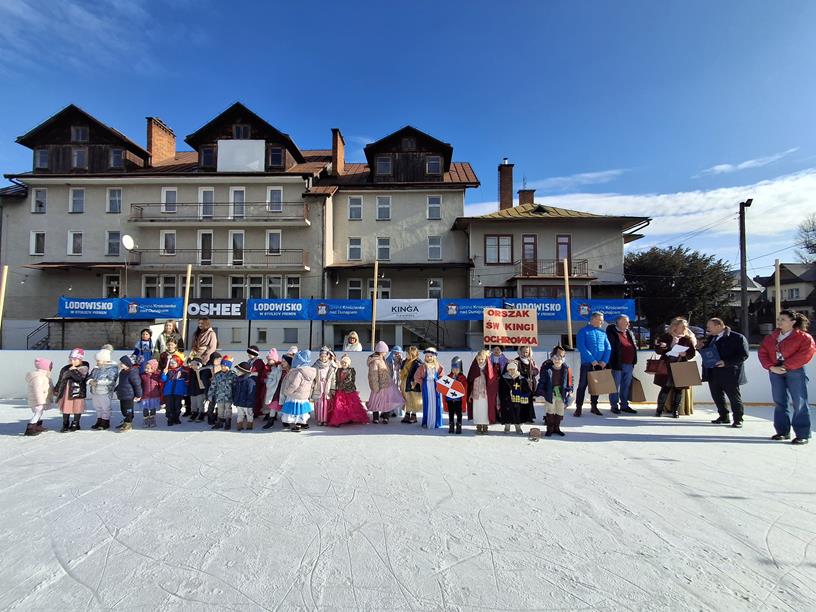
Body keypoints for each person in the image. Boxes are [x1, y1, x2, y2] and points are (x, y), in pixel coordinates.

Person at [759, 310, 816, 445]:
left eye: (783, 319)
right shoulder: (771, 337)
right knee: (779, 401)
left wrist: (786, 366)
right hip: (775, 371)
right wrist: (771, 367)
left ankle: (802, 434)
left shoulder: (804, 337)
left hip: (795, 371)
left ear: (793, 322)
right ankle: (782, 431)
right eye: (779, 319)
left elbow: (806, 354)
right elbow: (763, 352)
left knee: (799, 402)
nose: (779, 321)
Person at [702, 318, 749, 428]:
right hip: (713, 371)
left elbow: (743, 355)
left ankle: (738, 419)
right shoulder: (711, 338)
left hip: (730, 373)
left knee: (734, 397)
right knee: (717, 396)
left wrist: (726, 362)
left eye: (710, 327)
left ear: (718, 326)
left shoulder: (737, 337)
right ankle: (723, 416)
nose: (708, 329)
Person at [653, 317, 697, 418]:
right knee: (665, 388)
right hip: (667, 365)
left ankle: (675, 410)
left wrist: (685, 353)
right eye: (683, 326)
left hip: (681, 365)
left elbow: (692, 353)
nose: (685, 328)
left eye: (686, 326)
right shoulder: (666, 336)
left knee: (679, 389)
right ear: (675, 326)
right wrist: (662, 346)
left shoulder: (687, 339)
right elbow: (658, 350)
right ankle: (659, 410)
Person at [575, 312, 612, 417]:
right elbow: (582, 347)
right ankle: (578, 407)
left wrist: (604, 361)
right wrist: (592, 361)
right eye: (600, 319)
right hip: (587, 364)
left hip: (600, 365)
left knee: (597, 386)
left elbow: (608, 348)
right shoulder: (583, 331)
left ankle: (594, 406)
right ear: (593, 319)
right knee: (582, 386)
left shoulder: (603, 333)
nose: (602, 322)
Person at [535, 346, 572, 437]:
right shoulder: (547, 369)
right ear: (552, 358)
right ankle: (550, 429)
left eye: (559, 358)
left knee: (560, 411)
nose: (557, 360)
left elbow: (570, 380)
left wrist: (570, 390)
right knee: (550, 410)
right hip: (550, 393)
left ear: (563, 359)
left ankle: (557, 428)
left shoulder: (566, 368)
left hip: (561, 393)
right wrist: (538, 392)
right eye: (555, 358)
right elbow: (542, 381)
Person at [606, 314, 638, 415]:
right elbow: (611, 347)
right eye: (626, 321)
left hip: (629, 364)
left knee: (626, 385)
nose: (628, 323)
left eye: (628, 321)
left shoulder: (629, 332)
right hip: (617, 363)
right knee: (615, 386)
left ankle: (624, 405)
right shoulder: (612, 332)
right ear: (618, 322)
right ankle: (614, 406)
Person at [367, 341, 404, 424]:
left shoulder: (382, 360)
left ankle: (385, 417)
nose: (386, 353)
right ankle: (376, 417)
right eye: (385, 351)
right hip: (378, 385)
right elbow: (373, 375)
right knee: (376, 402)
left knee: (387, 401)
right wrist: (375, 387)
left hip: (386, 385)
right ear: (381, 351)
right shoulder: (375, 361)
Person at [280, 350, 317, 432]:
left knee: (295, 410)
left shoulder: (299, 372)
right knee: (302, 411)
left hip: (295, 395)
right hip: (304, 396)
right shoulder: (309, 371)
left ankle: (297, 425)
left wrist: (287, 391)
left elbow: (294, 385)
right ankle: (303, 423)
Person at [328, 354, 370, 427]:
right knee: (340, 405)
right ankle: (340, 419)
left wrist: (342, 384)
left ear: (348, 364)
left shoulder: (351, 370)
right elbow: (336, 379)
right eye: (342, 363)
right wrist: (336, 386)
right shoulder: (339, 370)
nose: (344, 364)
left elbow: (350, 380)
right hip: (340, 390)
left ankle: (351, 418)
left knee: (351, 405)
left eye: (345, 363)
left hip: (349, 390)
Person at [55, 348, 89, 432]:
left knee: (77, 408)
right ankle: (65, 423)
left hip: (77, 392)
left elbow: (80, 378)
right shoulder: (65, 368)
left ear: (80, 359)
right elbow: (60, 379)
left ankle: (75, 423)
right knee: (66, 407)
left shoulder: (84, 367)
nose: (72, 361)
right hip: (66, 392)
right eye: (71, 359)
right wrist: (57, 388)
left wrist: (74, 370)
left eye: (75, 359)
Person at [467, 349, 499, 434]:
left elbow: (492, 381)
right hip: (476, 392)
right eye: (479, 359)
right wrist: (470, 393)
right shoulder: (474, 368)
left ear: (485, 359)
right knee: (477, 409)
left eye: (482, 359)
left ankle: (485, 425)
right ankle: (478, 425)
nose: (480, 361)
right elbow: (470, 382)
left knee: (485, 409)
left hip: (485, 394)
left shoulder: (489, 368)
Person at [88, 349, 119, 431]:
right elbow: (90, 376)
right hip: (95, 391)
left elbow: (111, 380)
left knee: (105, 407)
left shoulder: (112, 369)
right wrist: (90, 381)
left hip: (105, 391)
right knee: (97, 406)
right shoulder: (96, 368)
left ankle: (105, 421)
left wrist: (97, 382)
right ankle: (99, 420)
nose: (97, 362)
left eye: (99, 360)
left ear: (105, 360)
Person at [414, 347, 444, 430]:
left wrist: (439, 381)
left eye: (431, 356)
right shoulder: (422, 367)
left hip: (435, 387)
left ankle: (436, 421)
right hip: (426, 387)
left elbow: (441, 376)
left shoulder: (438, 366)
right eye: (427, 356)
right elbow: (416, 376)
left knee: (436, 403)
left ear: (434, 357)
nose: (429, 358)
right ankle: (426, 421)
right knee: (427, 403)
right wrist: (423, 382)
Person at [499, 360, 530, 435]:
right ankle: (507, 427)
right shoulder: (504, 378)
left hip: (518, 400)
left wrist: (525, 394)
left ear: (516, 369)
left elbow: (526, 389)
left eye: (513, 369)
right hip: (507, 400)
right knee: (507, 413)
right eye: (510, 369)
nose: (512, 371)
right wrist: (504, 397)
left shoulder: (521, 379)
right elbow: (500, 389)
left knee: (517, 413)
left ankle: (518, 427)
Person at [24, 357, 53, 436]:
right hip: (37, 400)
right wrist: (40, 401)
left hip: (39, 400)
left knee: (39, 413)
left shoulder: (44, 376)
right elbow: (38, 390)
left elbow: (48, 387)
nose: (51, 368)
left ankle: (37, 426)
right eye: (50, 366)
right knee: (37, 413)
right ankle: (30, 428)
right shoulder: (38, 377)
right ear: (45, 367)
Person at [114, 356, 142, 432]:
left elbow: (137, 385)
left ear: (127, 364)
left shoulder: (132, 373)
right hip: (122, 394)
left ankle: (128, 422)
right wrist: (117, 388)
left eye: (122, 363)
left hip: (129, 395)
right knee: (123, 409)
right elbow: (122, 383)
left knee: (128, 410)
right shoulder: (122, 372)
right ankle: (126, 420)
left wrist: (139, 395)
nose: (120, 364)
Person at [208, 358, 236, 430]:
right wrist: (210, 395)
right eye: (222, 366)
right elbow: (213, 385)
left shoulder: (233, 375)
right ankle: (219, 422)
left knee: (228, 409)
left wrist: (235, 396)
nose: (223, 367)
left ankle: (227, 422)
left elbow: (235, 386)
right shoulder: (217, 375)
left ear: (229, 366)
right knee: (220, 409)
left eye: (224, 366)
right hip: (219, 396)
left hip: (228, 397)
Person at [513, 346, 538, 423]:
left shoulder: (531, 361)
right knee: (521, 401)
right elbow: (514, 372)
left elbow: (536, 371)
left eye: (526, 352)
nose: (525, 353)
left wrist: (533, 372)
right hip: (520, 384)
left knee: (529, 400)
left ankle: (529, 416)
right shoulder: (517, 360)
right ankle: (521, 417)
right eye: (523, 352)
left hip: (530, 384)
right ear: (520, 351)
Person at [313, 347, 337, 426]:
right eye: (321, 356)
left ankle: (325, 419)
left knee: (326, 403)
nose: (323, 358)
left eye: (325, 356)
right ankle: (320, 419)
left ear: (328, 356)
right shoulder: (316, 365)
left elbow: (333, 378)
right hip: (319, 386)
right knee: (319, 403)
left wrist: (333, 388)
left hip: (327, 386)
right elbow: (312, 376)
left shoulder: (331, 365)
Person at [161, 356, 189, 426]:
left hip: (178, 392)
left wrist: (185, 392)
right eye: (170, 363)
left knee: (177, 406)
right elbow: (163, 379)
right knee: (169, 406)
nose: (171, 364)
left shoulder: (183, 372)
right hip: (168, 392)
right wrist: (164, 373)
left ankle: (176, 417)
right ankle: (170, 418)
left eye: (173, 363)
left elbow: (186, 383)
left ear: (178, 363)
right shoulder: (168, 371)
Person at [443, 357, 468, 434]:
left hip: (458, 400)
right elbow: (444, 388)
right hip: (450, 399)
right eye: (453, 368)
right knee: (451, 413)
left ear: (460, 368)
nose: (455, 370)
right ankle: (451, 425)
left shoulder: (463, 378)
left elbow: (464, 389)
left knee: (459, 413)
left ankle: (459, 426)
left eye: (457, 368)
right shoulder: (448, 377)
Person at [262, 349, 285, 428]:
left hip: (281, 390)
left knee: (283, 405)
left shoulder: (280, 368)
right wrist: (269, 382)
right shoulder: (272, 368)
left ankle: (285, 421)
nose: (268, 361)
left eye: (269, 359)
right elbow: (270, 378)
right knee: (273, 405)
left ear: (274, 359)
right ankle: (271, 420)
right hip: (274, 390)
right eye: (268, 359)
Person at [400, 346, 422, 424]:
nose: (406, 355)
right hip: (405, 382)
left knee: (413, 399)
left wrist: (415, 382)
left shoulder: (417, 362)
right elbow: (401, 370)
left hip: (413, 383)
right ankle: (407, 414)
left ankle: (414, 415)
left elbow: (418, 374)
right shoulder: (405, 361)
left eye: (408, 353)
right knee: (407, 398)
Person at [233, 362, 258, 431]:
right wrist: (235, 400)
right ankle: (239, 425)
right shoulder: (237, 380)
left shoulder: (250, 381)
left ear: (244, 372)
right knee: (240, 415)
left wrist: (250, 402)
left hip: (247, 404)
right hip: (239, 403)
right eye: (237, 371)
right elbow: (235, 391)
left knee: (249, 415)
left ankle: (249, 425)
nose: (237, 372)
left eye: (238, 371)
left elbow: (251, 393)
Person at [139, 359, 162, 428]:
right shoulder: (142, 375)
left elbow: (162, 381)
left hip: (154, 395)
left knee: (152, 409)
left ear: (154, 368)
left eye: (148, 368)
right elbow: (139, 385)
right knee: (145, 408)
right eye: (145, 368)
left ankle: (152, 420)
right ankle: (146, 420)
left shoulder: (157, 375)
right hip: (145, 395)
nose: (146, 369)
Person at [187, 357, 211, 422]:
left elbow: (203, 381)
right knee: (193, 403)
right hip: (192, 389)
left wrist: (198, 371)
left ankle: (201, 413)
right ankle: (194, 413)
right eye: (192, 365)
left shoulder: (203, 370)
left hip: (200, 390)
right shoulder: (191, 371)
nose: (193, 366)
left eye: (195, 364)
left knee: (200, 403)